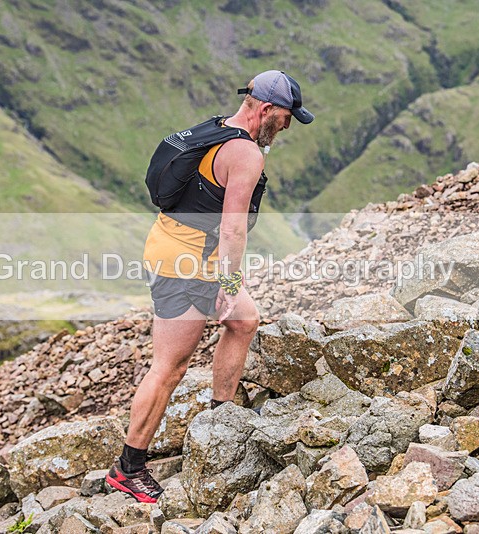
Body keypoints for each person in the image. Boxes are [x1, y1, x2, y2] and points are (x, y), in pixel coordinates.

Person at [105, 70, 314, 503]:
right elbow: (233, 228)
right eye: (287, 117)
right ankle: (128, 468)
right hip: (186, 263)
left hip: (174, 246)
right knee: (170, 367)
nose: (288, 127)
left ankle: (222, 419)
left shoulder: (217, 128)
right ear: (266, 109)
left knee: (244, 321)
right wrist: (231, 282)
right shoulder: (247, 155)